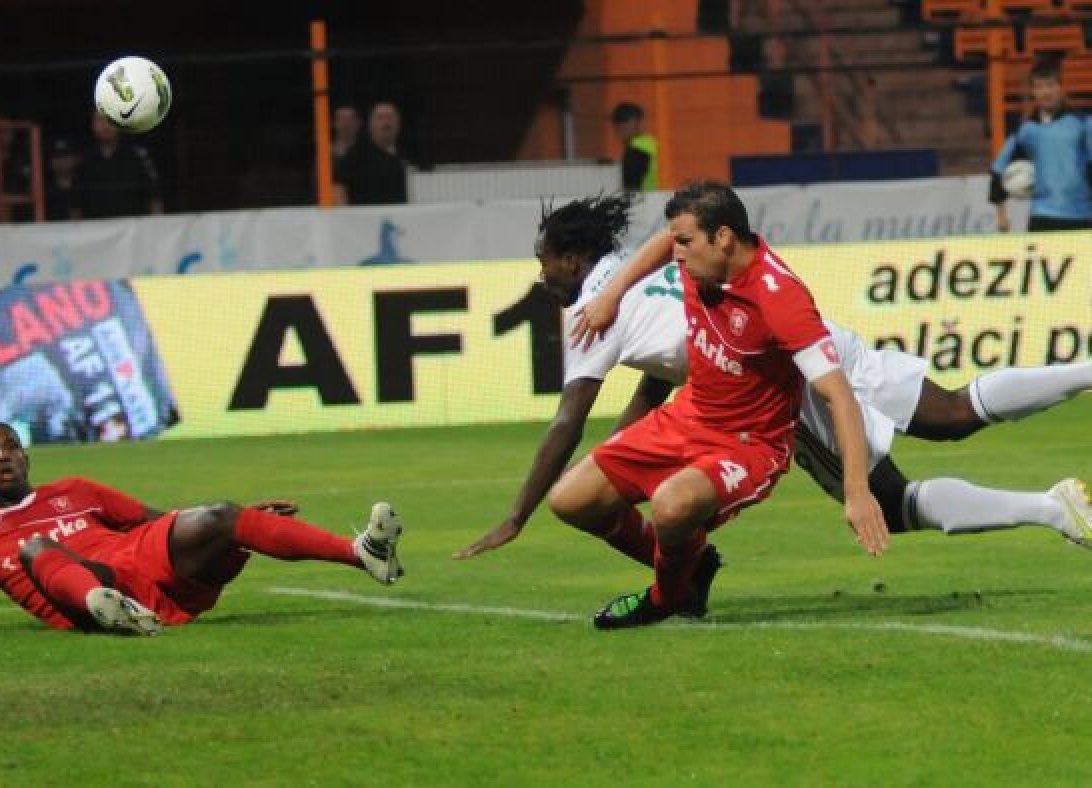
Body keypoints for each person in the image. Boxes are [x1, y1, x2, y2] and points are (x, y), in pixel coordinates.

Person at [454, 195, 1092, 585]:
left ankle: (1051, 510)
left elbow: (566, 422)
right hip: (810, 335)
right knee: (952, 411)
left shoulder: (593, 313)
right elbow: (663, 374)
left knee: (891, 505)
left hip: (776, 376)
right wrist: (619, 455)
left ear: (571, 258)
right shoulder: (649, 268)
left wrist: (516, 517)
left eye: (543, 261)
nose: (542, 275)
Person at [556, 181, 888, 630]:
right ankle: (695, 560)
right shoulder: (699, 261)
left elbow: (840, 396)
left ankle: (665, 597)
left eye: (685, 242)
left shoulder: (778, 297)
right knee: (570, 500)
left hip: (748, 445)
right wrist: (611, 295)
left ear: (724, 237)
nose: (676, 254)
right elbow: (664, 243)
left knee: (671, 505)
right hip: (688, 416)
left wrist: (857, 493)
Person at [0, 422, 405, 637]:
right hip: (95, 589)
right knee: (36, 549)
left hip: (144, 563)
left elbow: (157, 520)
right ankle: (110, 609)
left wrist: (241, 524)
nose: (3, 456)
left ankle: (364, 553)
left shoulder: (75, 489)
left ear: (26, 458)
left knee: (221, 515)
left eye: (11, 447)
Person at [990, 55, 1092, 232]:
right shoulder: (1026, 130)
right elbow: (999, 168)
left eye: (1050, 85)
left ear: (1061, 87)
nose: (1046, 93)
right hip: (1042, 217)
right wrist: (1001, 214)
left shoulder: (1083, 124)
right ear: (1033, 92)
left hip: (1081, 216)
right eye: (1039, 87)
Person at [72, 113, 163, 219]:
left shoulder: (137, 157)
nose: (105, 125)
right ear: (92, 125)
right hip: (95, 227)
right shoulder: (83, 161)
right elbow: (75, 204)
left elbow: (154, 197)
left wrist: (157, 224)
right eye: (100, 120)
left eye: (111, 119)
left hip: (133, 226)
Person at [333, 101, 409, 206]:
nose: (386, 123)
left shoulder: (407, 155)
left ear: (398, 123)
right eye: (380, 118)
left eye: (390, 117)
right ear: (370, 125)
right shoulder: (356, 156)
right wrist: (344, 214)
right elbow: (338, 187)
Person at [610, 102, 660, 192]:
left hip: (647, 198)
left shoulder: (636, 149)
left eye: (623, 121)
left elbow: (631, 187)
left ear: (636, 123)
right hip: (659, 195)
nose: (618, 127)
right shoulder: (651, 143)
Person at [44, 137, 80, 221]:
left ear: (75, 159)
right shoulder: (44, 190)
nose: (62, 161)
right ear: (50, 162)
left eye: (66, 155)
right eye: (57, 157)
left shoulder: (84, 185)